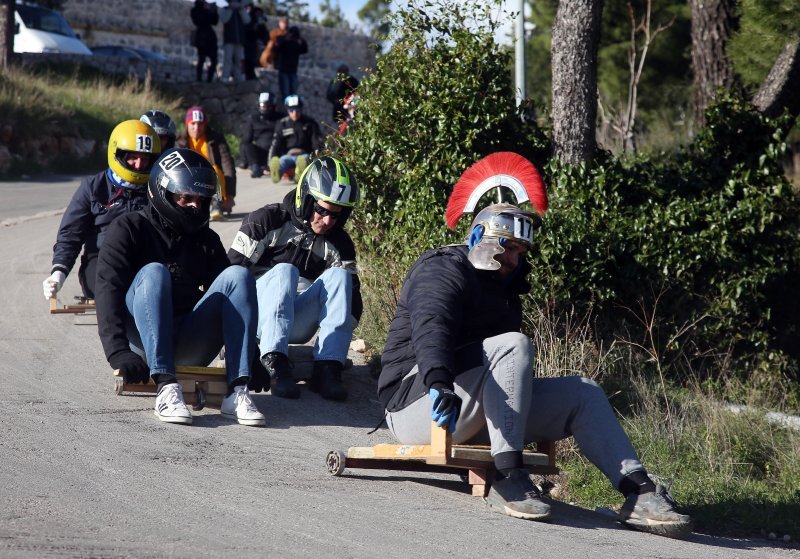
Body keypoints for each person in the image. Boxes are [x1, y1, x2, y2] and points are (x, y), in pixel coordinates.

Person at [377, 153, 694, 538]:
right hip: (420, 404)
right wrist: (439, 381)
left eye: (520, 252)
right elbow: (433, 327)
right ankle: (509, 474)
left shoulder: (507, 292)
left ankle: (638, 492)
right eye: (507, 247)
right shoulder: (441, 268)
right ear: (480, 237)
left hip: (470, 407)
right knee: (514, 344)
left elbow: (502, 370)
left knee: (583, 392)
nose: (513, 259)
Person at [95, 148, 265, 427]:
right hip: (141, 344)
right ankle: (166, 388)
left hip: (189, 338)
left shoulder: (206, 239)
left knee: (238, 276)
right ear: (162, 192)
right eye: (185, 198)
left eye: (201, 200)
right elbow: (107, 289)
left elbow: (232, 298)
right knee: (154, 272)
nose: (195, 207)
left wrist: (252, 358)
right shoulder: (128, 228)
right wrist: (117, 351)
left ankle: (237, 391)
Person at [228, 156, 362, 401]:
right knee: (285, 271)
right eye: (322, 210)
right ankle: (274, 362)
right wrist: (239, 341)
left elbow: (354, 305)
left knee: (340, 277)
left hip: (296, 322)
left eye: (336, 214)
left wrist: (334, 332)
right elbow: (230, 279)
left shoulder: (340, 243)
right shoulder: (266, 220)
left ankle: (328, 367)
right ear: (306, 198)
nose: (328, 220)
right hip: (257, 317)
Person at [43, 120, 161, 302]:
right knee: (112, 287)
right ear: (118, 154)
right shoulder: (93, 187)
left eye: (145, 159)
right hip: (101, 259)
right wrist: (59, 272)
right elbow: (70, 234)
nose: (139, 165)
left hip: (145, 257)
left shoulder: (158, 188)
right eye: (133, 157)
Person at [175, 106, 235, 220]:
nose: (196, 128)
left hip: (211, 179)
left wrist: (230, 195)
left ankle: (217, 205)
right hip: (188, 179)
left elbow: (228, 165)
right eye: (193, 123)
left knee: (215, 169)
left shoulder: (216, 139)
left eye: (200, 124)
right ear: (187, 124)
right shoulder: (178, 139)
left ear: (205, 125)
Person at [268, 94, 323, 183]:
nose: (294, 112)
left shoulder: (310, 123)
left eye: (297, 109)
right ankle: (276, 173)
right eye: (291, 110)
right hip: (288, 155)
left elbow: (316, 142)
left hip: (305, 154)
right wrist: (272, 158)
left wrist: (316, 158)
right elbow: (276, 144)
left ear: (301, 109)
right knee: (282, 161)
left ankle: (300, 176)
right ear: (287, 110)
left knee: (302, 160)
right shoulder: (282, 124)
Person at [239, 92, 285, 178]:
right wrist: (243, 160)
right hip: (261, 153)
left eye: (268, 106)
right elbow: (246, 139)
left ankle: (280, 166)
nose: (265, 108)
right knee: (247, 145)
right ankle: (255, 167)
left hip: (277, 151)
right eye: (263, 106)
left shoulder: (281, 118)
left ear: (273, 106)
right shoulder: (253, 118)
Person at [273, 24, 307, 101]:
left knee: (293, 93)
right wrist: (285, 39)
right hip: (284, 70)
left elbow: (305, 50)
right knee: (285, 93)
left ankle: (292, 109)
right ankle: (287, 109)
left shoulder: (296, 43)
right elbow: (277, 49)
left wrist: (300, 39)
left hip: (293, 71)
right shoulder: (282, 40)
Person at [219, 0, 250, 82]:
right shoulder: (224, 9)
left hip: (239, 39)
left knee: (239, 60)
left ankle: (239, 77)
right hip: (229, 39)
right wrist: (230, 9)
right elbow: (224, 20)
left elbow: (247, 20)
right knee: (228, 59)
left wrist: (241, 9)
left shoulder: (241, 10)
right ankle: (225, 77)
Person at [190, 0, 219, 83]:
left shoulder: (207, 8)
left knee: (214, 60)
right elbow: (198, 21)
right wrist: (206, 10)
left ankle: (209, 79)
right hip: (201, 38)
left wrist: (214, 11)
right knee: (201, 59)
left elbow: (214, 22)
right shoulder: (195, 9)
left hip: (210, 38)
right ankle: (199, 79)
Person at [242, 4, 268, 80]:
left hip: (255, 44)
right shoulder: (249, 20)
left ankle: (251, 75)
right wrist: (254, 27)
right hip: (248, 44)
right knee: (248, 61)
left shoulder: (261, 22)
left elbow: (264, 35)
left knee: (253, 61)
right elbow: (247, 31)